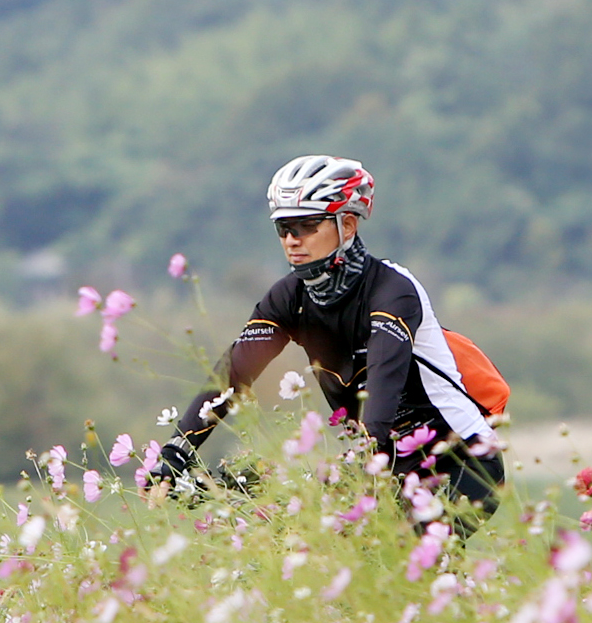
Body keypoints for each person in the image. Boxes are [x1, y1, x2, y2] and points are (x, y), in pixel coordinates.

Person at [149, 154, 505, 522]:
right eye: (283, 228)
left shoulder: (392, 291)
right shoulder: (288, 297)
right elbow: (233, 374)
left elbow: (382, 388)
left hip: (463, 461)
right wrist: (176, 452)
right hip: (387, 469)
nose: (292, 240)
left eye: (305, 226)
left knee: (400, 554)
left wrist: (344, 476)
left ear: (347, 225)